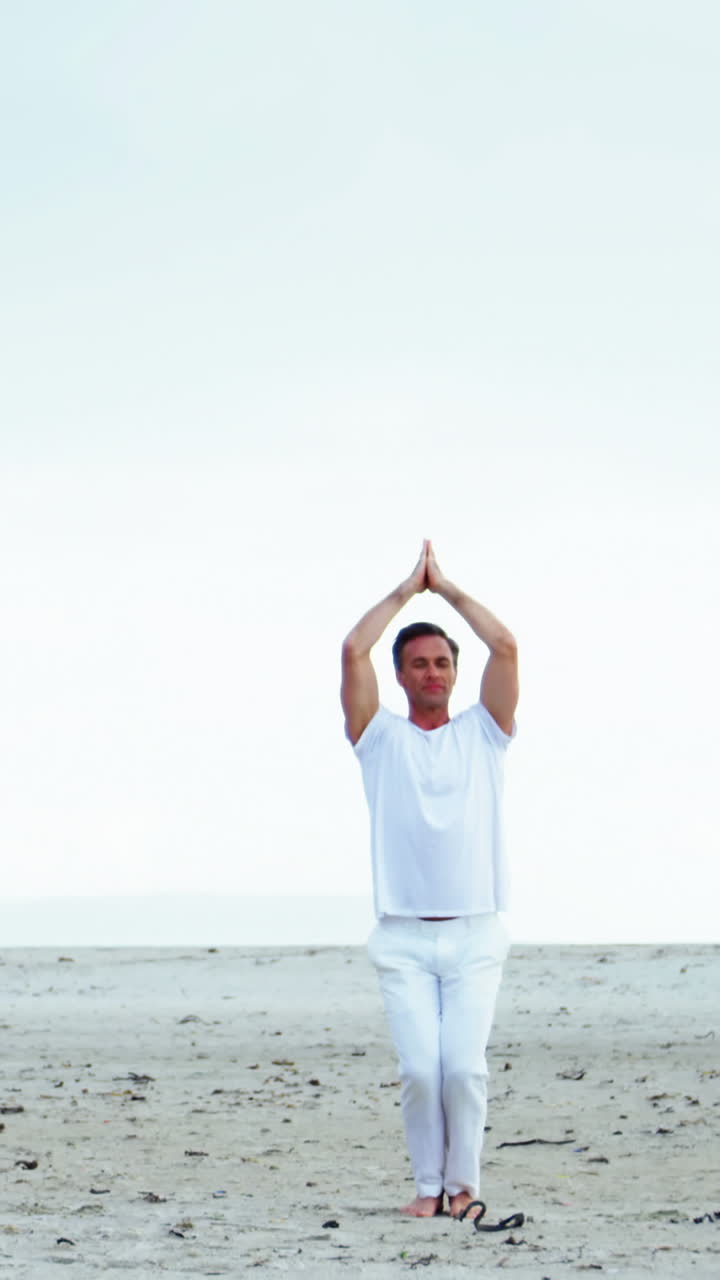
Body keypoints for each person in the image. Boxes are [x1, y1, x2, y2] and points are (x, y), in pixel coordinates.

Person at [341, 539, 518, 1220]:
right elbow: (352, 651)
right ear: (402, 675)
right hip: (403, 938)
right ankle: (427, 1188)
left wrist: (445, 592)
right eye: (419, 664)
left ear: (454, 671)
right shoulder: (378, 739)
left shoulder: (485, 733)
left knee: (464, 1070)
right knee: (421, 1071)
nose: (433, 672)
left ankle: (464, 1185)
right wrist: (404, 593)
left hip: (475, 933)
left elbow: (505, 647)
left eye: (443, 662)